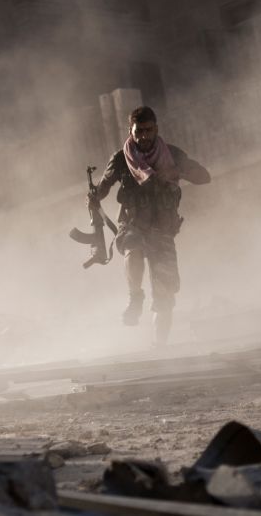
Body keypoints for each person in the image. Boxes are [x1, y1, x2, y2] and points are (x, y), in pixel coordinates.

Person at [90, 106, 210, 347]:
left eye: (148, 130)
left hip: (163, 230)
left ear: (156, 129)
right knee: (133, 248)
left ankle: (160, 349)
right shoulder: (120, 159)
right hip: (133, 223)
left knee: (164, 297)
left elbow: (204, 177)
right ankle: (135, 297)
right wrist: (93, 196)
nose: (143, 136)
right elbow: (102, 189)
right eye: (138, 131)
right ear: (130, 131)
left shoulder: (172, 155)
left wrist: (176, 171)